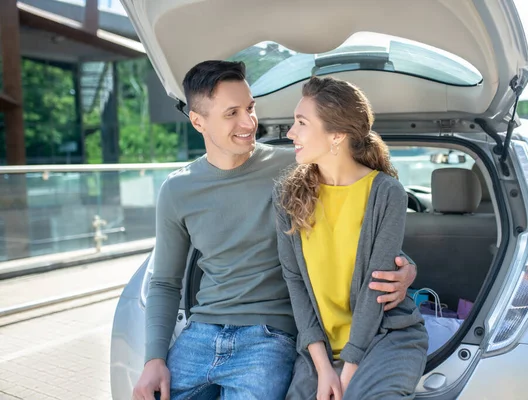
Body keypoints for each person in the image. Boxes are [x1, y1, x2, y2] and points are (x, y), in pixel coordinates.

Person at [132, 61, 418, 400]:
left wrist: (404, 267)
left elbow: (359, 220)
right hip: (200, 333)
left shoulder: (297, 166)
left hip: (269, 336)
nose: (248, 122)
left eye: (250, 108)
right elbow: (164, 281)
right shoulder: (176, 190)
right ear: (197, 121)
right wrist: (154, 358)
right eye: (232, 113)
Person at [274, 76, 428, 400]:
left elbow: (376, 285)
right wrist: (323, 367)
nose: (290, 132)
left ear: (337, 135)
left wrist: (347, 372)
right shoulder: (286, 196)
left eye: (301, 122)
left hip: (385, 338)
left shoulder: (386, 193)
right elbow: (295, 284)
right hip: (319, 349)